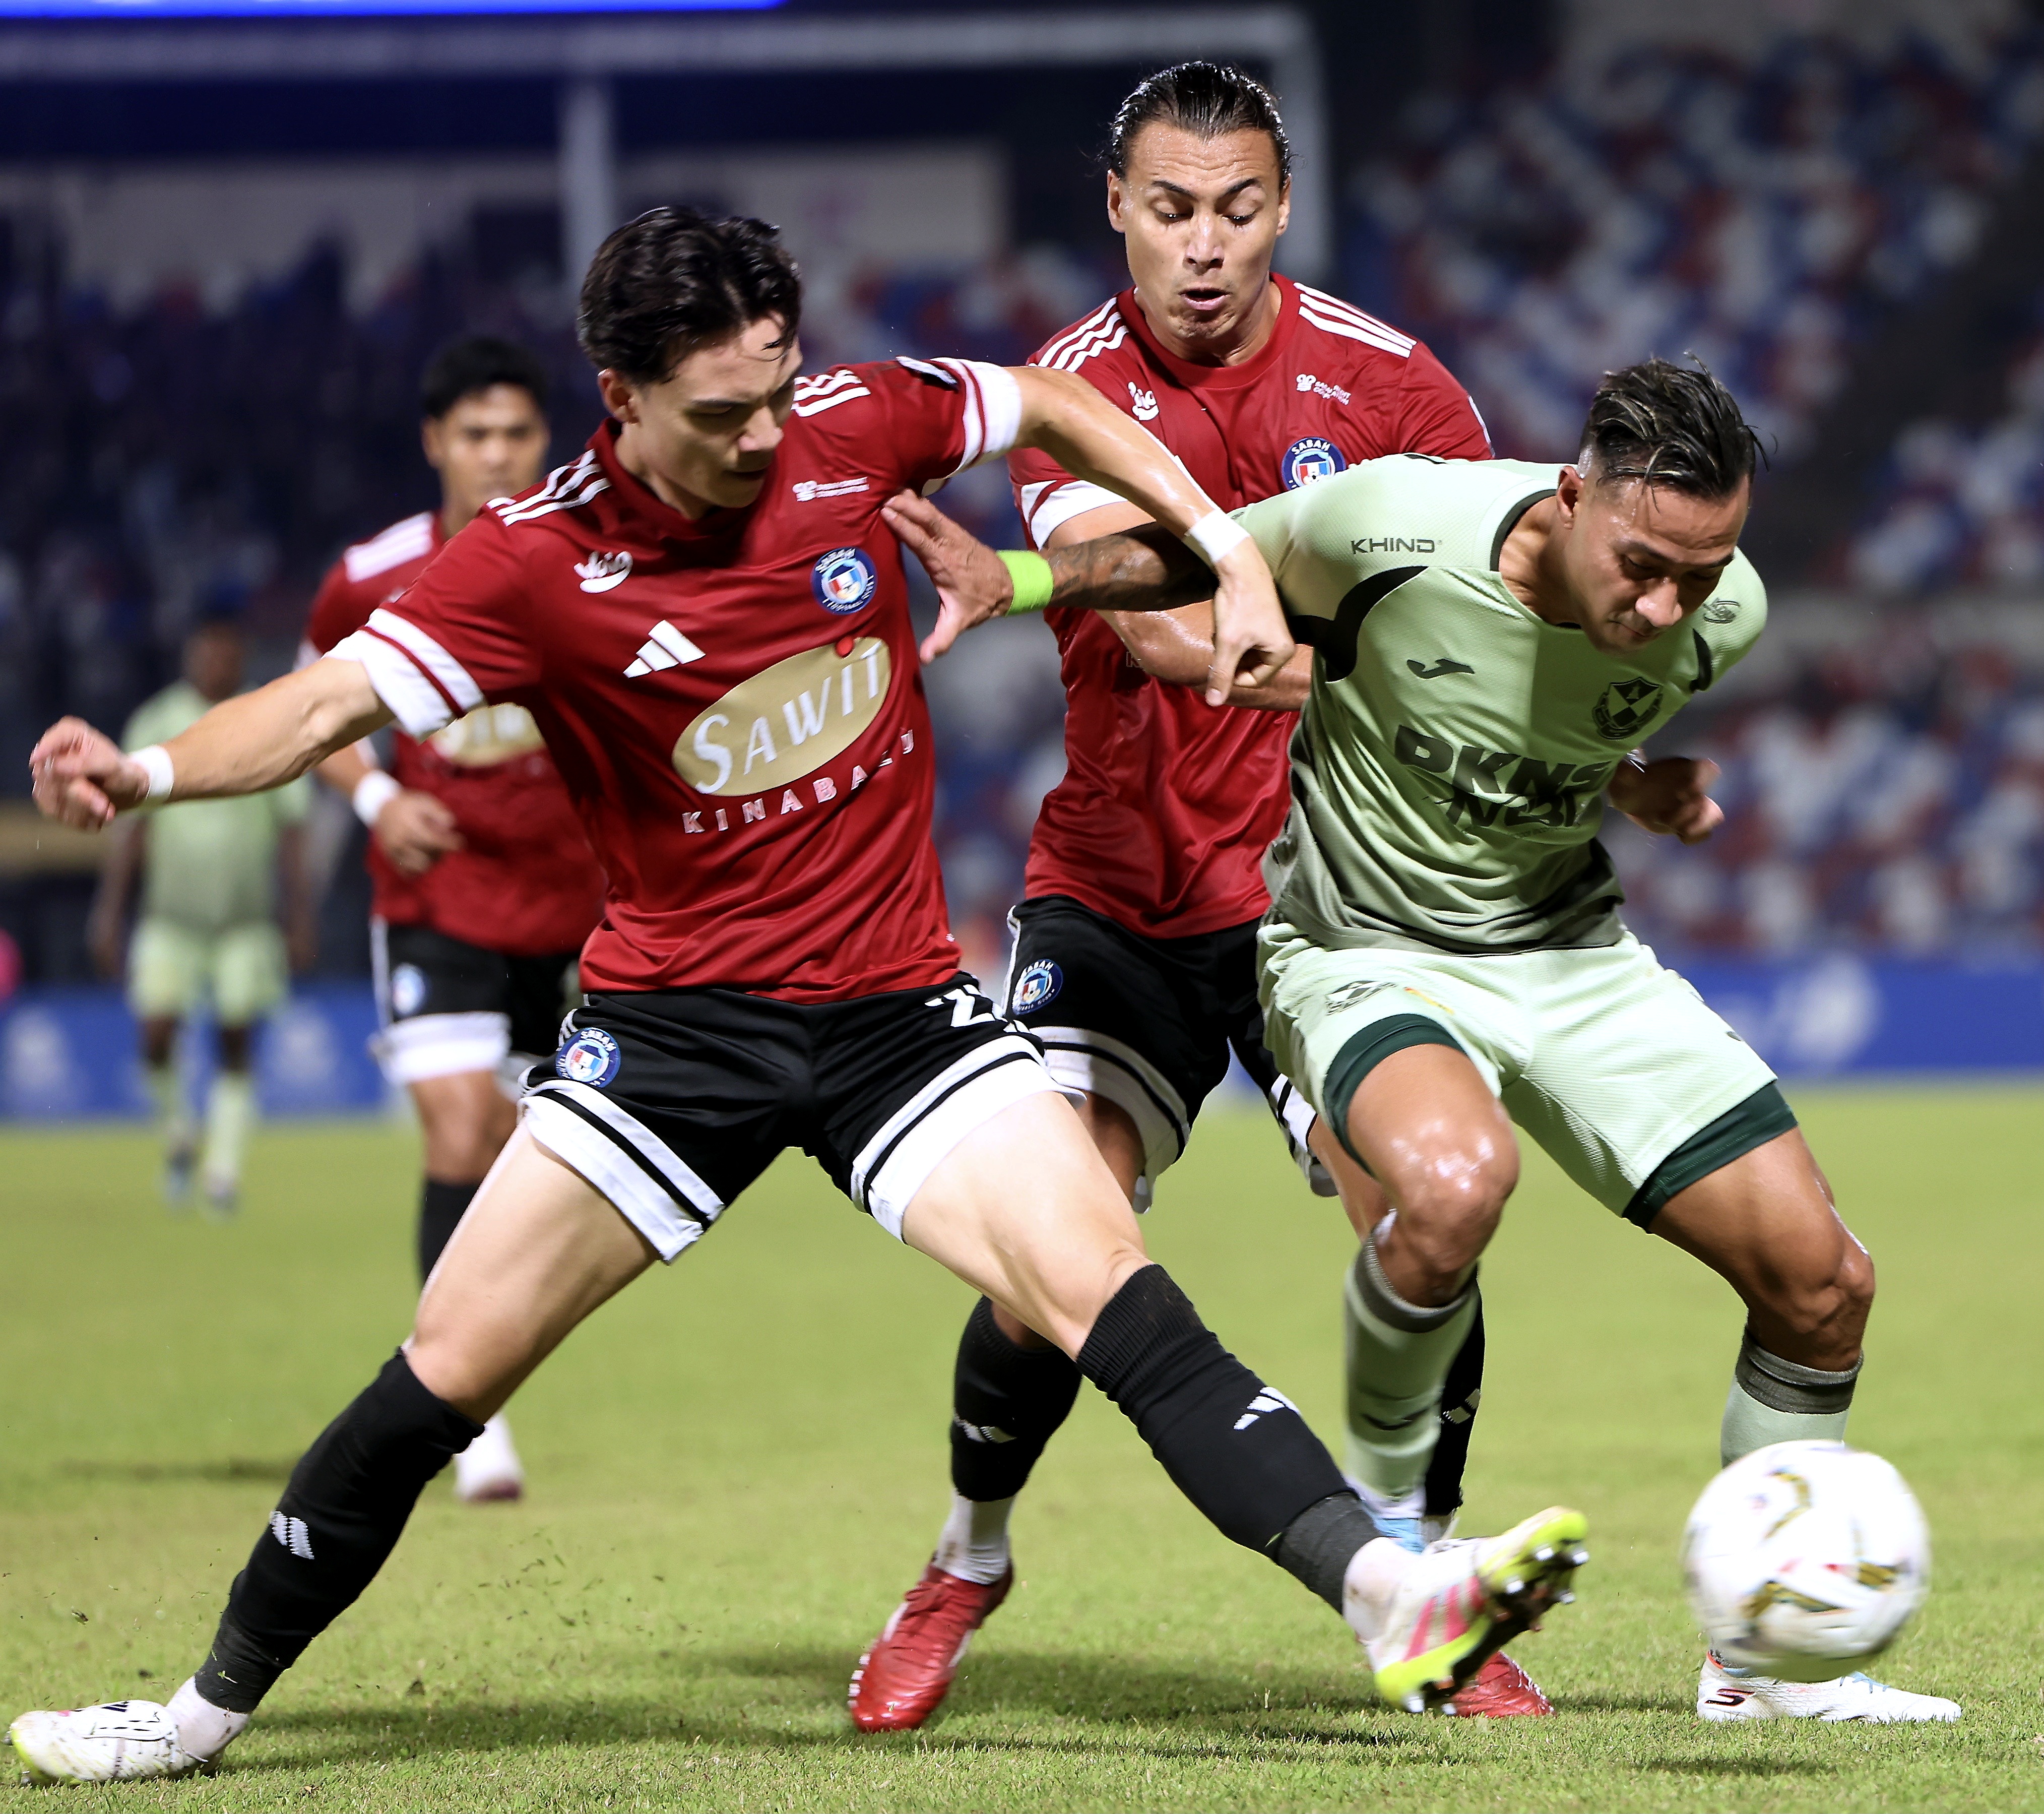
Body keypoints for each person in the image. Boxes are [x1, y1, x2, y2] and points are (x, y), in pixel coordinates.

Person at [8, 207, 1585, 1786]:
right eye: (718, 414)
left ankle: (1388, 1595)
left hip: (896, 1012)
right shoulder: (534, 567)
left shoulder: (851, 424)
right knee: (446, 1364)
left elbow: (1041, 403)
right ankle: (194, 1714)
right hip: (669, 1039)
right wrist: (144, 771)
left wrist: (1228, 543)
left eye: (775, 389)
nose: (764, 435)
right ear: (613, 395)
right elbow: (324, 702)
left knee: (1105, 1275)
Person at [884, 357, 1964, 1724]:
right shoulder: (1392, 527)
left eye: (1700, 572)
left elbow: (1555, 716)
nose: (1663, 605)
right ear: (1569, 500)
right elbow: (1194, 560)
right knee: (1452, 1185)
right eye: (1641, 564)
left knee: (1824, 1281)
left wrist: (1637, 784)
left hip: (1572, 956)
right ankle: (1396, 1536)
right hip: (1358, 945)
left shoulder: (1720, 614)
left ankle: (1757, 1670)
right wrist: (1025, 580)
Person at [848, 62, 1546, 1733]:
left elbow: (1499, 608)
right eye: (1170, 209)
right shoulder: (1070, 392)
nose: (1204, 245)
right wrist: (1368, 677)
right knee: (1046, 1253)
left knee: (1432, 1210)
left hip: (1323, 899)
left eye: (1236, 209)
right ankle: (969, 1551)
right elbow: (1163, 622)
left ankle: (1424, 1576)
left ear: (1281, 208)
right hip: (1117, 891)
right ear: (1117, 210)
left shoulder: (1390, 382)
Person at [303, 334, 602, 1505]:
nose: (495, 455)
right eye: (473, 435)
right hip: (434, 897)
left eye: (516, 434)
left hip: (568, 908)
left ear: (546, 441)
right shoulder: (375, 571)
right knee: (456, 1128)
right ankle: (474, 1414)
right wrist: (377, 796)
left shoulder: (584, 552)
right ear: (436, 443)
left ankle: (470, 1362)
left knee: (521, 1155)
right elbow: (305, 696)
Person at [88, 620, 314, 1221]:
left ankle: (222, 1174)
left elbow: (293, 830)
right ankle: (181, 1130)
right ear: (191, 657)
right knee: (156, 1036)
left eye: (226, 654)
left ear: (240, 657)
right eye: (206, 653)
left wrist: (300, 915)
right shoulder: (158, 720)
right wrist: (109, 913)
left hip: (245, 921)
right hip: (172, 918)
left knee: (235, 1042)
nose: (216, 664)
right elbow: (130, 828)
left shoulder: (267, 717)